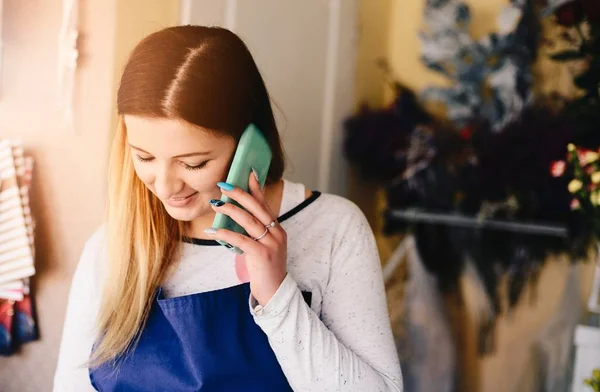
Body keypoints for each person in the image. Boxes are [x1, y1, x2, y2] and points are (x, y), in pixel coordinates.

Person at [53, 25, 403, 391]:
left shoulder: (334, 228)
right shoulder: (112, 247)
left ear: (249, 145)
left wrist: (277, 295)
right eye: (144, 157)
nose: (166, 186)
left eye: (193, 164)